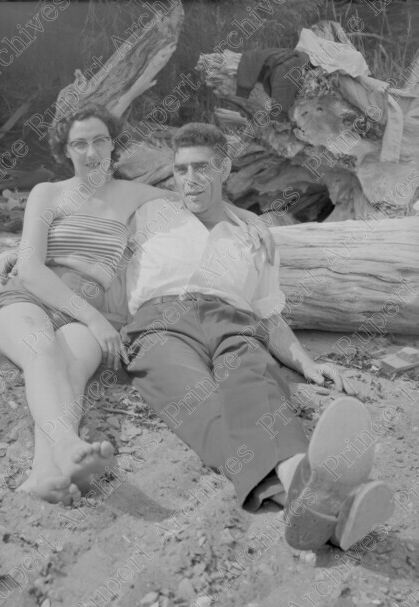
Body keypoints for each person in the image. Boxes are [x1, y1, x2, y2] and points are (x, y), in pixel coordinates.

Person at [121, 122, 395, 551]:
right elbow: (91, 212)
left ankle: (300, 491)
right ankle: (308, 487)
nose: (189, 179)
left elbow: (268, 316)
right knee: (199, 402)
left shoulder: (253, 235)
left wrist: (306, 362)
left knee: (255, 382)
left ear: (225, 167)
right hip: (162, 324)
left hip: (233, 322)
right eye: (180, 169)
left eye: (201, 167)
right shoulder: (149, 214)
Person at [0, 104, 176, 506]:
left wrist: (250, 221)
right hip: (32, 296)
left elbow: (198, 197)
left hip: (87, 308)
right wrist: (95, 319)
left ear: (113, 144)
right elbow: (31, 269)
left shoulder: (130, 194)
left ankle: (43, 475)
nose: (91, 152)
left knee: (71, 372)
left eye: (100, 141)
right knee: (42, 348)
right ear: (65, 150)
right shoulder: (48, 193)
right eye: (80, 144)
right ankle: (67, 445)